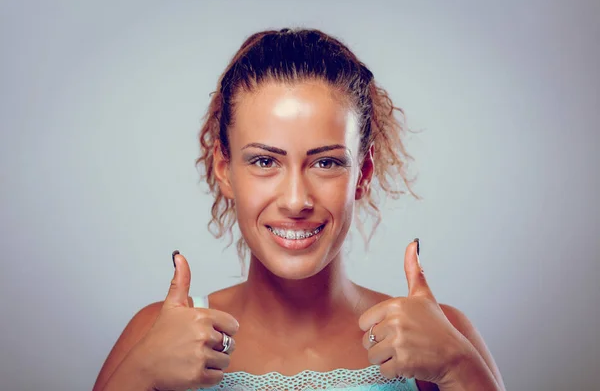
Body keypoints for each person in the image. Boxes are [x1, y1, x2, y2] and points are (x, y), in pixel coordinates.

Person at [93, 28, 506, 391]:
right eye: (264, 161)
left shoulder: (442, 338)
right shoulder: (153, 336)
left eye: (326, 163)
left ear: (362, 173)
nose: (295, 201)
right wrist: (139, 376)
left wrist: (458, 367)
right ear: (224, 169)